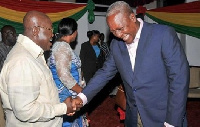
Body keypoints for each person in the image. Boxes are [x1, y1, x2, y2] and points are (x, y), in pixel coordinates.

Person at [72, 1, 190, 127]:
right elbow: (104, 73)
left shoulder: (163, 35)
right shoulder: (116, 44)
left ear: (133, 17)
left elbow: (179, 79)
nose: (118, 35)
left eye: (120, 28)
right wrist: (82, 97)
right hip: (133, 117)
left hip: (163, 117)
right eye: (113, 31)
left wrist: (172, 121)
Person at [0, 11, 77, 127]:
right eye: (50, 29)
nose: (53, 35)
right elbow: (25, 111)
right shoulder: (22, 61)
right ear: (36, 31)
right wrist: (63, 108)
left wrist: (60, 102)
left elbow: (40, 96)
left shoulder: (33, 55)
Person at [48, 17, 88, 127]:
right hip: (66, 95)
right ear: (74, 32)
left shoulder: (61, 45)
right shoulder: (62, 47)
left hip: (68, 93)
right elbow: (64, 76)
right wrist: (83, 92)